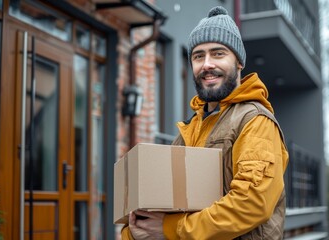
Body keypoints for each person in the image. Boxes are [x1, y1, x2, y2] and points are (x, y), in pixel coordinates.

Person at [121, 6, 289, 240]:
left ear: (239, 62)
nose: (207, 64)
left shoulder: (255, 121)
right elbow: (166, 206)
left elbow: (251, 203)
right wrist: (135, 231)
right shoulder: (189, 131)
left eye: (218, 53)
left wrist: (171, 228)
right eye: (198, 56)